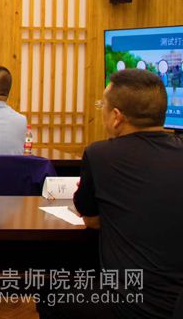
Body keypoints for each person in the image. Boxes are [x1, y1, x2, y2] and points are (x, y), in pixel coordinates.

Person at [38, 69, 183, 319]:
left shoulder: (100, 155)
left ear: (116, 117)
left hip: (130, 302)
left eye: (102, 106)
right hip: (177, 302)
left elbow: (90, 217)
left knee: (50, 293)